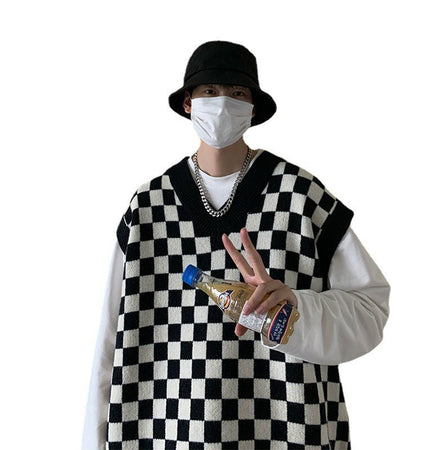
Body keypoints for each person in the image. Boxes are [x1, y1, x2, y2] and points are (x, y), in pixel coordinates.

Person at [82, 40, 390, 449]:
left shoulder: (301, 197)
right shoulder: (147, 207)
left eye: (238, 93)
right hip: (165, 433)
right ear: (188, 103)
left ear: (253, 109)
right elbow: (111, 338)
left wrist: (296, 309)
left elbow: (370, 311)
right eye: (210, 91)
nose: (223, 103)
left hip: (286, 431)